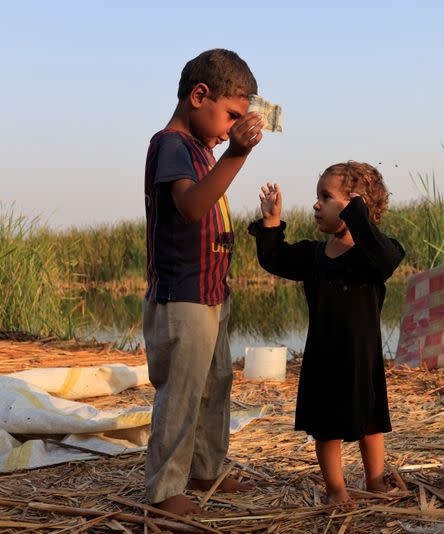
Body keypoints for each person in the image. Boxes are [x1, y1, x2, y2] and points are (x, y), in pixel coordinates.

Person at [142, 48, 265, 516]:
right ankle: (164, 490)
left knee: (216, 382)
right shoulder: (172, 146)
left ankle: (207, 467)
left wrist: (226, 151)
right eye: (230, 115)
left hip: (210, 292)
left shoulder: (201, 150)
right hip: (182, 295)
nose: (231, 128)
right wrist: (237, 154)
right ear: (199, 96)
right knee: (182, 391)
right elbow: (192, 208)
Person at [248, 162, 404, 505]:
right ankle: (336, 490)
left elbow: (386, 259)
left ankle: (375, 480)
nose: (316, 204)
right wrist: (271, 223)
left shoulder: (372, 255)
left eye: (325, 197)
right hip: (323, 357)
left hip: (362, 358)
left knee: (371, 421)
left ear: (354, 205)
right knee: (326, 429)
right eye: (317, 196)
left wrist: (357, 214)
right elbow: (275, 259)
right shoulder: (314, 255)